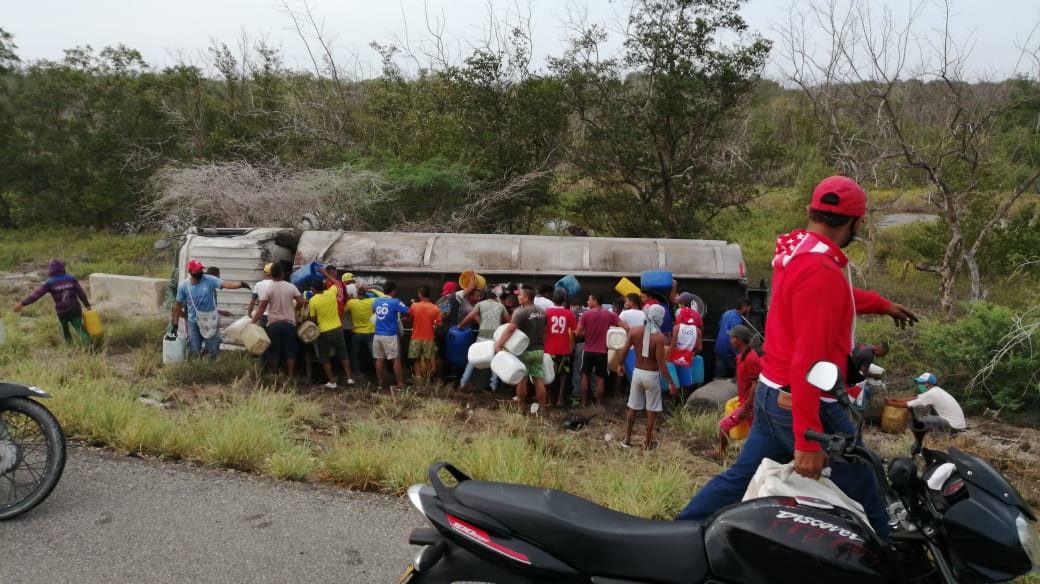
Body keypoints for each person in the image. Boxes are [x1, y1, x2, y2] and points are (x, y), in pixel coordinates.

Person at [675, 175, 919, 540]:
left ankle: (674, 534)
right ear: (856, 223)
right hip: (803, 403)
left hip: (773, 394)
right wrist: (807, 441)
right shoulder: (820, 269)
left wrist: (882, 304)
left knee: (740, 477)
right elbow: (809, 361)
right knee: (867, 483)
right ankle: (895, 561)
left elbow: (837, 295)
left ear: (811, 211)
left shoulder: (798, 252)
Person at [616, 304, 675, 450]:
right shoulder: (659, 338)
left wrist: (620, 365)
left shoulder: (634, 331)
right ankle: (647, 442)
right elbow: (661, 363)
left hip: (637, 373)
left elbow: (624, 350)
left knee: (633, 407)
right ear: (659, 318)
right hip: (652, 375)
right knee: (651, 410)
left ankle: (627, 439)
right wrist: (671, 382)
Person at [702, 324, 760, 463]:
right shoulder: (742, 356)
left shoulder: (750, 358)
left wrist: (746, 406)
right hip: (747, 401)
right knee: (755, 433)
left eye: (733, 337)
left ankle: (721, 455)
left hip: (749, 404)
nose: (730, 340)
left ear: (740, 339)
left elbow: (755, 385)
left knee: (724, 425)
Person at [170, 259, 250, 359]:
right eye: (197, 270)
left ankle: (211, 365)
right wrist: (175, 325)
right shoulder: (184, 286)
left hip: (211, 320)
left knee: (212, 349)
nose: (199, 272)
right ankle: (196, 368)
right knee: (194, 349)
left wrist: (240, 284)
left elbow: (226, 284)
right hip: (193, 322)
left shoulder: (209, 280)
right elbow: (177, 306)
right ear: (190, 272)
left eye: (200, 269)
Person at [13, 259, 93, 344]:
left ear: (50, 270)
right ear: (62, 268)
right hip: (75, 309)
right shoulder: (71, 278)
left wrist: (22, 304)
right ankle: (89, 347)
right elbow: (81, 293)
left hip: (62, 311)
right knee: (80, 328)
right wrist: (87, 305)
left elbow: (36, 295)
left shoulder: (49, 283)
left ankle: (70, 346)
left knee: (65, 331)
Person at [494, 287, 548, 411]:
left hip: (524, 350)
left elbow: (510, 329)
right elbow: (544, 331)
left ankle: (522, 407)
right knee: (538, 380)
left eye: (520, 295)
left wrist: (498, 344)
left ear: (526, 298)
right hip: (539, 350)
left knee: (522, 379)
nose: (518, 297)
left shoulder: (520, 312)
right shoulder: (542, 312)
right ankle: (543, 410)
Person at [575, 293, 628, 407]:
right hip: (602, 351)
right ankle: (599, 404)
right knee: (600, 378)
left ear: (595, 300)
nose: (588, 303)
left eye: (589, 300)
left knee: (585, 375)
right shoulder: (609, 315)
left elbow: (578, 333)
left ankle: (583, 403)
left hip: (588, 350)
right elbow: (626, 327)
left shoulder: (585, 314)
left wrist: (586, 333)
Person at [249, 263, 303, 376]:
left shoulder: (268, 289)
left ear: (271, 275)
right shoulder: (291, 286)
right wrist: (294, 309)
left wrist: (252, 322)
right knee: (290, 350)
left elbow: (261, 308)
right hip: (289, 323)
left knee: (273, 351)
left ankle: (274, 374)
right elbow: (301, 302)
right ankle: (291, 375)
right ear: (282, 274)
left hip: (274, 323)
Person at [308, 269, 355, 389]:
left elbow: (313, 319)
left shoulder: (313, 300)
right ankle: (349, 378)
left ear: (313, 290)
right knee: (343, 354)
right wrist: (325, 273)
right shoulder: (331, 293)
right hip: (338, 328)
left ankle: (332, 382)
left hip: (324, 332)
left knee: (325, 358)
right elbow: (336, 283)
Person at [457, 290, 510, 392]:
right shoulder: (500, 306)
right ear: (495, 298)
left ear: (486, 298)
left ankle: (463, 383)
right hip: (495, 337)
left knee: (472, 359)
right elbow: (509, 321)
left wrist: (461, 325)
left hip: (482, 336)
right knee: (495, 360)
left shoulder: (480, 304)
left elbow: (470, 316)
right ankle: (493, 386)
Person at [371, 281, 410, 392]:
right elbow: (408, 310)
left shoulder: (376, 301)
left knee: (379, 360)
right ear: (393, 291)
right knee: (396, 360)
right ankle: (400, 384)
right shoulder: (395, 301)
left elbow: (374, 311)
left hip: (377, 335)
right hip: (390, 336)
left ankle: (380, 384)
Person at [544, 289, 578, 406]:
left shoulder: (546, 312)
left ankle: (549, 399)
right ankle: (560, 399)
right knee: (563, 374)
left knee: (548, 373)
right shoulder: (569, 313)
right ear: (564, 301)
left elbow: (542, 331)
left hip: (549, 348)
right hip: (564, 348)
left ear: (552, 300)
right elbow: (575, 332)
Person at [408, 285, 443, 380]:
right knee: (428, 359)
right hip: (429, 338)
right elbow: (440, 324)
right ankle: (427, 379)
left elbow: (409, 318)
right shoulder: (435, 308)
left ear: (420, 294)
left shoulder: (414, 306)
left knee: (416, 359)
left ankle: (418, 378)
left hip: (416, 337)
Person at [712, 298, 751, 379]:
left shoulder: (727, 313)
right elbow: (735, 337)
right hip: (729, 350)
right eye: (749, 307)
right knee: (736, 375)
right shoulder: (737, 319)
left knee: (719, 376)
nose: (749, 309)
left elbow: (720, 324)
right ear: (744, 307)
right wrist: (738, 354)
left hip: (719, 347)